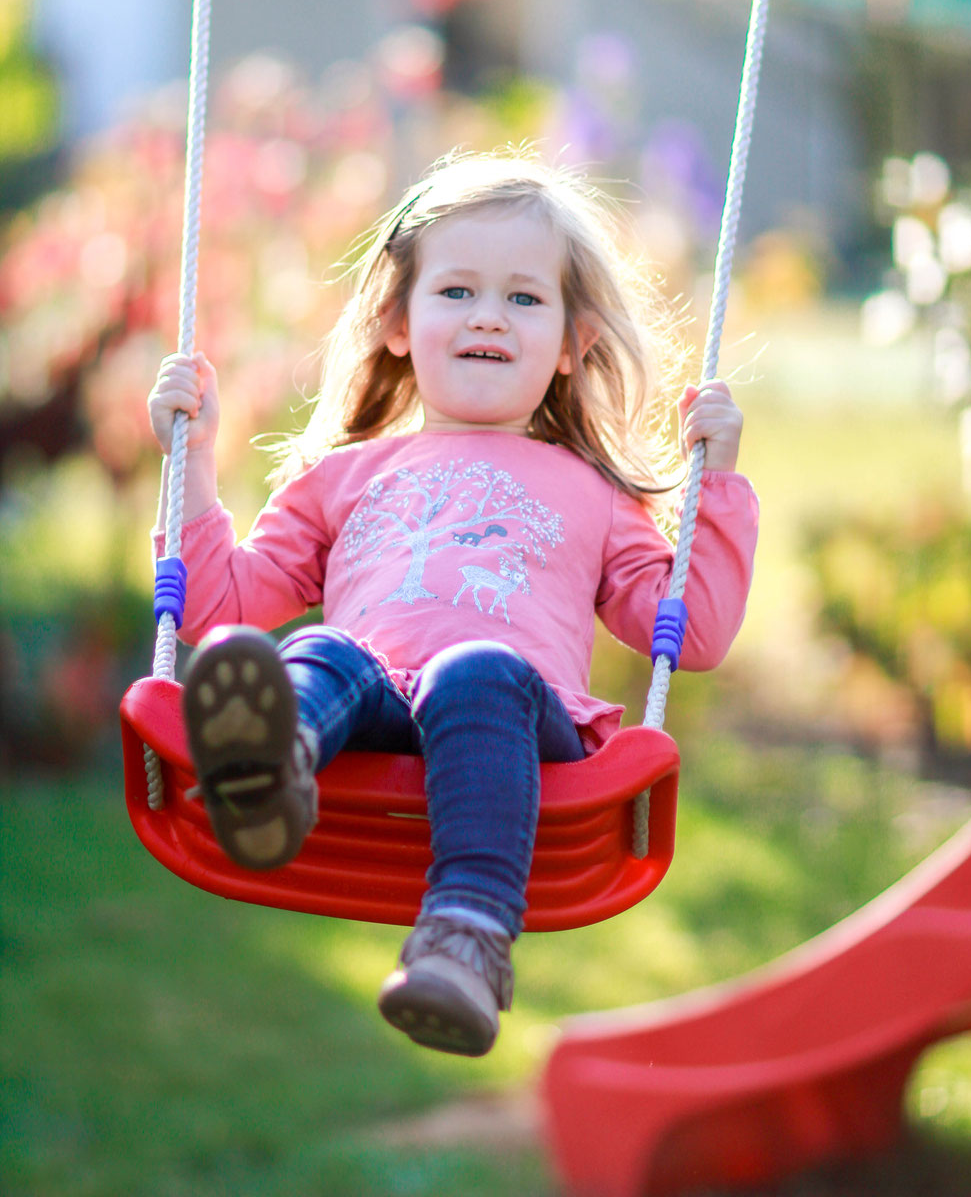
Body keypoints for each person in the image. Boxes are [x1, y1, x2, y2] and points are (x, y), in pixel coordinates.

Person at [147, 151, 758, 1058]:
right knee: (323, 656)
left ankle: (467, 941)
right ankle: (272, 769)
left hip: (511, 717)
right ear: (397, 323)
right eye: (457, 291)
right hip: (370, 707)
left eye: (523, 298)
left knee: (476, 669)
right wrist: (189, 462)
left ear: (570, 345)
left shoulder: (592, 494)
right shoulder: (341, 481)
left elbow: (692, 630)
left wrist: (721, 483)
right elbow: (215, 606)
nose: (487, 315)